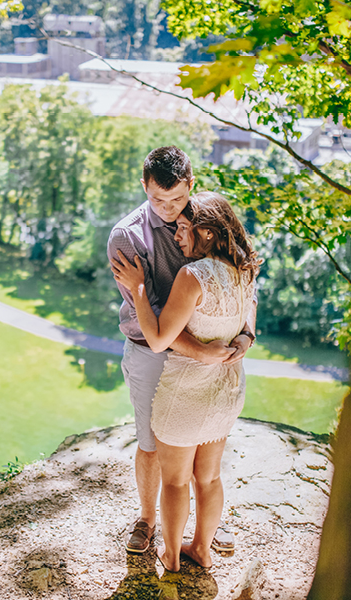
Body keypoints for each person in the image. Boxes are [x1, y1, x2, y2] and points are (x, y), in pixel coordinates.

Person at [106, 147, 255, 555]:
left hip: (210, 354)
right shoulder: (127, 236)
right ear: (144, 187)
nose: (170, 211)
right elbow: (150, 317)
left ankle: (199, 532)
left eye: (177, 200)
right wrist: (201, 353)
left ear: (192, 184)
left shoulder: (207, 219)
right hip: (152, 350)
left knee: (203, 445)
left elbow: (243, 283)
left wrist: (247, 335)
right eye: (158, 200)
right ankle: (148, 520)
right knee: (154, 444)